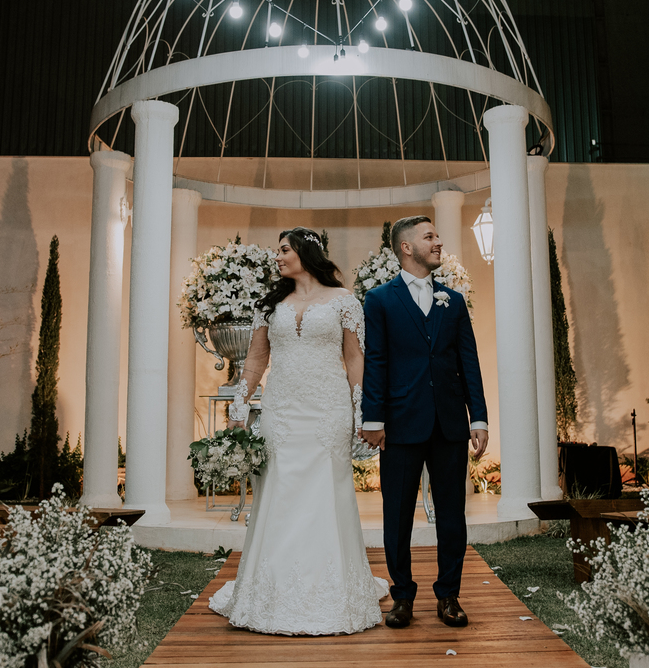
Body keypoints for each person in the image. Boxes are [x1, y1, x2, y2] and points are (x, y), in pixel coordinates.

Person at [208, 227, 389, 635]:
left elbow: (355, 358)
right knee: (281, 491)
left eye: (284, 250)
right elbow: (256, 360)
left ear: (305, 253)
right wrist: (239, 404)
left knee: (327, 493)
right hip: (282, 413)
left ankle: (332, 590)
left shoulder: (344, 301)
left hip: (328, 411)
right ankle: (271, 591)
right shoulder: (269, 305)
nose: (277, 256)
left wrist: (362, 412)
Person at [359, 216, 489, 629]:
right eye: (429, 237)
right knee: (397, 515)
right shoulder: (379, 300)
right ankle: (402, 597)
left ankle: (449, 595)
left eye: (437, 236)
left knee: (452, 515)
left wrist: (478, 417)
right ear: (406, 247)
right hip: (400, 424)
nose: (438, 242)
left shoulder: (454, 301)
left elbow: (468, 361)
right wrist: (373, 418)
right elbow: (375, 362)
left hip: (450, 424)